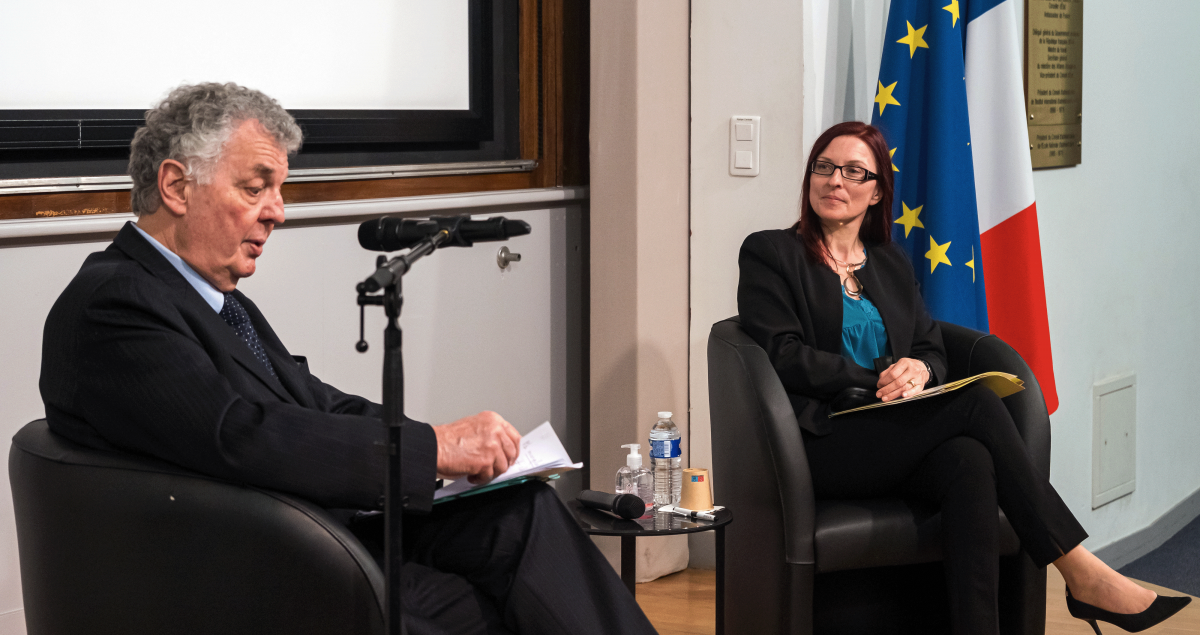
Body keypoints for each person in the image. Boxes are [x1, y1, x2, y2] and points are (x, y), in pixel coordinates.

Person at [40, 82, 656, 635]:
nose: (277, 211)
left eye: (278, 190)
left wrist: (442, 450)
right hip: (241, 568)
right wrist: (434, 448)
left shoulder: (213, 298)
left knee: (517, 512)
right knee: (470, 602)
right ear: (176, 186)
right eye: (255, 188)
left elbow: (315, 403)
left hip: (304, 535)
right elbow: (240, 435)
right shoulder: (115, 302)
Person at [736, 121, 1190, 634]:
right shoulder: (771, 253)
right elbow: (783, 354)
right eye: (824, 167)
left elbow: (930, 346)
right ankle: (1080, 570)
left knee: (970, 460)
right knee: (976, 405)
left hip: (895, 432)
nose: (835, 181)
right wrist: (880, 375)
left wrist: (921, 368)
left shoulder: (887, 260)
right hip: (822, 438)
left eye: (853, 171)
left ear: (877, 189)